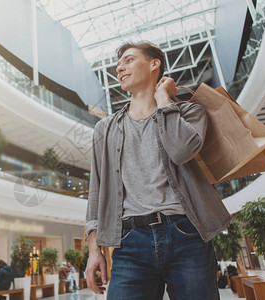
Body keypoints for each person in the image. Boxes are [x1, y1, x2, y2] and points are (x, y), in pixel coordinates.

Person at [84, 41, 231, 300]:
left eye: (129, 60)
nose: (119, 68)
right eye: (118, 64)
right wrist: (94, 250)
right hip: (129, 242)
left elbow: (181, 151)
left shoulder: (191, 112)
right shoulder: (104, 130)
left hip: (187, 235)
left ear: (155, 65)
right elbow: (96, 190)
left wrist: (164, 99)